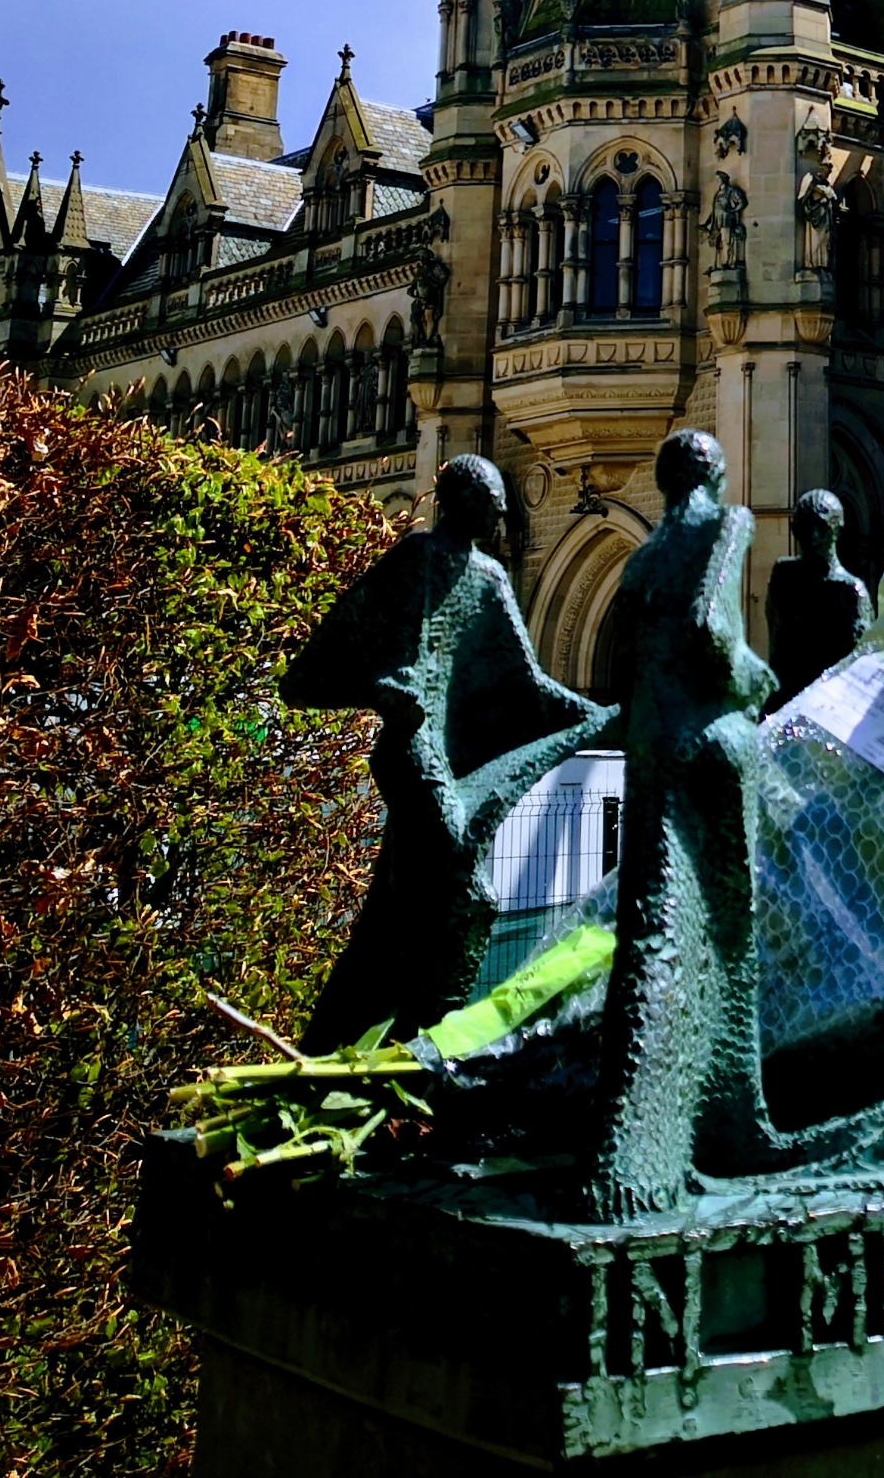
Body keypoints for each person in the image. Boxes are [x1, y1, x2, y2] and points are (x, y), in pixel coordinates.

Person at [282, 454, 609, 1049]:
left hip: (447, 760)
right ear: (465, 502)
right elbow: (323, 660)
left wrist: (601, 717)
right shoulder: (417, 559)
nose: (501, 517)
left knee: (393, 917)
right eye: (493, 506)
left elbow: (528, 686)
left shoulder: (490, 577)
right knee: (465, 894)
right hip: (413, 753)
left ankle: (332, 1043)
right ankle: (428, 1042)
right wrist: (382, 690)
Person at [587, 430, 780, 1218]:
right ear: (717, 475)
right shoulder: (726, 523)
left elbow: (641, 658)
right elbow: (709, 627)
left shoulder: (637, 562)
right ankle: (727, 1113)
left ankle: (644, 1126)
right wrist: (752, 676)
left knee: (653, 924)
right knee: (727, 928)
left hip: (651, 749)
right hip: (710, 746)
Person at [763, 488, 872, 708]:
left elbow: (857, 666)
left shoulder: (850, 591)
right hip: (786, 703)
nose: (812, 537)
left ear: (837, 529)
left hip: (830, 707)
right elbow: (777, 649)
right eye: (803, 528)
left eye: (821, 527)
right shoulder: (783, 575)